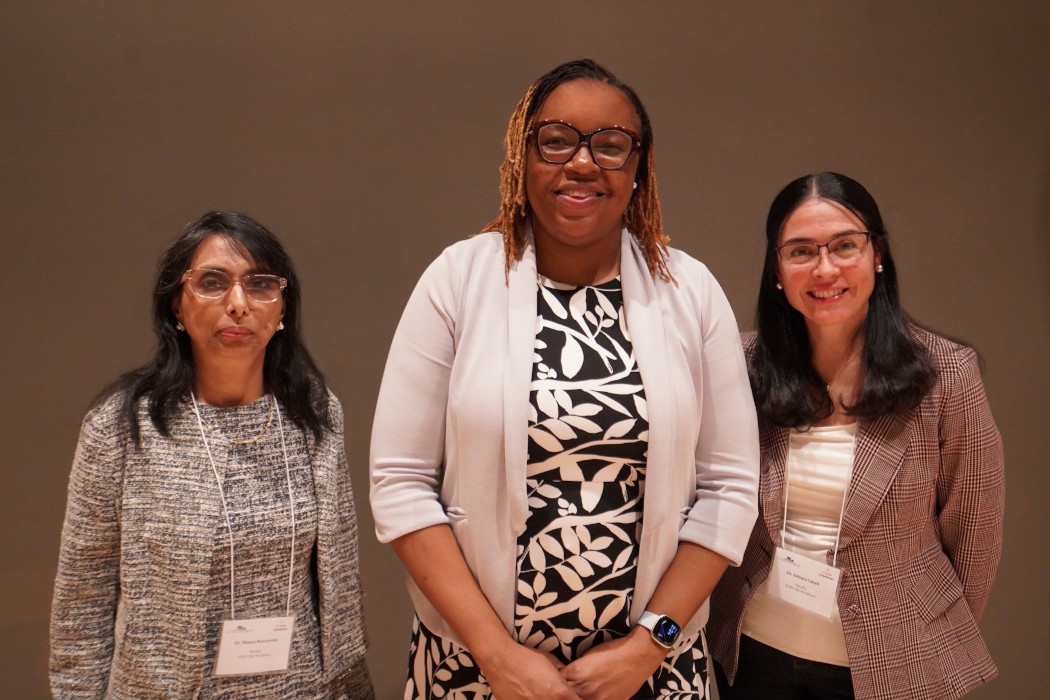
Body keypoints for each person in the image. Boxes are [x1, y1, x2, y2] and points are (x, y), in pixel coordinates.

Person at [369, 58, 759, 699]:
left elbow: (730, 490)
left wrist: (647, 646)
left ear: (640, 169)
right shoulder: (457, 281)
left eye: (610, 146)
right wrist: (497, 655)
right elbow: (401, 484)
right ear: (522, 158)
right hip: (475, 672)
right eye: (556, 141)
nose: (581, 164)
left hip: (652, 677)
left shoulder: (689, 291)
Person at [50, 212, 374, 699]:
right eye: (212, 283)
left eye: (260, 284)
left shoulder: (315, 413)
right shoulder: (123, 425)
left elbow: (339, 590)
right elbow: (83, 602)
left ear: (282, 307)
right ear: (176, 307)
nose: (238, 304)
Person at [707, 172, 1005, 700]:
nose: (826, 269)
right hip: (752, 659)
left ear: (878, 255)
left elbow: (974, 542)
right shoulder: (741, 365)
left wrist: (919, 642)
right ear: (777, 270)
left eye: (845, 245)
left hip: (889, 669)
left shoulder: (946, 375)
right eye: (801, 252)